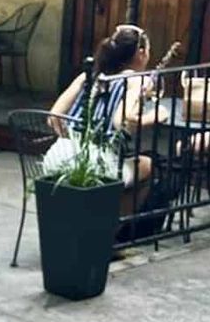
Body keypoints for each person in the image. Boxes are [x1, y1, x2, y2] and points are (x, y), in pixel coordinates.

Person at [47, 23, 153, 212]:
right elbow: (122, 122)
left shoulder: (88, 75)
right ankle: (114, 224)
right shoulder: (136, 80)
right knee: (147, 164)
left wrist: (73, 137)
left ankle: (91, 218)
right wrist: (155, 116)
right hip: (93, 167)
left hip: (57, 159)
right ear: (141, 53)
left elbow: (53, 117)